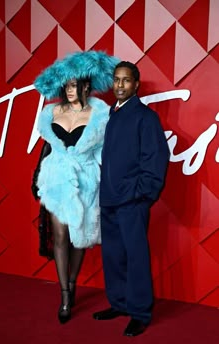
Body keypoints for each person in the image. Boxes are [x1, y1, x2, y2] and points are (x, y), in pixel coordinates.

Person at [31, 50, 120, 324]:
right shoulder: (51, 112)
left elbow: (103, 153)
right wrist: (37, 176)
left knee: (79, 238)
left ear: (85, 85)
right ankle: (66, 295)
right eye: (66, 86)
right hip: (57, 179)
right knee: (59, 236)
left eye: (74, 85)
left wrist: (110, 183)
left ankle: (73, 279)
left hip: (87, 179)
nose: (69, 90)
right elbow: (47, 147)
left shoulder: (100, 114)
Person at [93, 61, 169, 337]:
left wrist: (140, 193)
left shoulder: (145, 117)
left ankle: (140, 312)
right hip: (109, 199)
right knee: (113, 256)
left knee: (136, 257)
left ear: (136, 85)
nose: (120, 85)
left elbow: (157, 159)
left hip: (131, 201)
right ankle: (120, 303)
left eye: (126, 80)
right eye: (117, 80)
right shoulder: (113, 114)